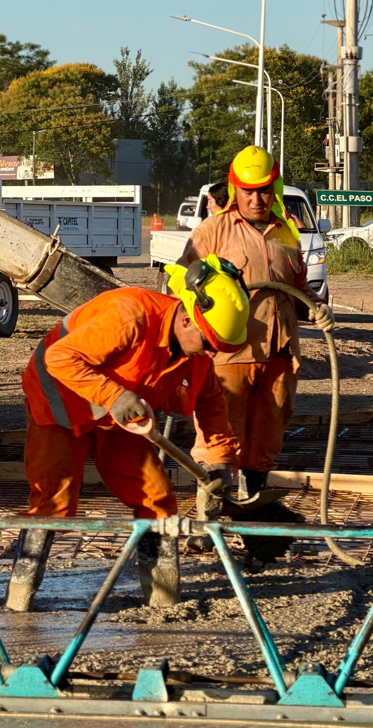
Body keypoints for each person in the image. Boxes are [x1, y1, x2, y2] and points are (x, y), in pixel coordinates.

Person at [6, 256, 249, 612]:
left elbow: (211, 404)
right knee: (52, 505)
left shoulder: (195, 353)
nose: (213, 354)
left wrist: (220, 460)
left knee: (157, 499)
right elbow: (59, 359)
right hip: (60, 398)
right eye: (210, 343)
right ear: (186, 318)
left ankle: (164, 602)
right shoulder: (129, 315)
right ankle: (18, 602)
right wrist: (115, 396)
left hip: (121, 413)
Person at [178, 146, 334, 557]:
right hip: (228, 358)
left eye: (263, 190)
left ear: (274, 188)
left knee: (263, 446)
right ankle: (204, 526)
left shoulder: (287, 233)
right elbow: (182, 282)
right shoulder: (213, 231)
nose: (256, 198)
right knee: (217, 441)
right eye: (247, 190)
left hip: (280, 356)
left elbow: (298, 290)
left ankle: (257, 533)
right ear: (234, 189)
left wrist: (315, 308)